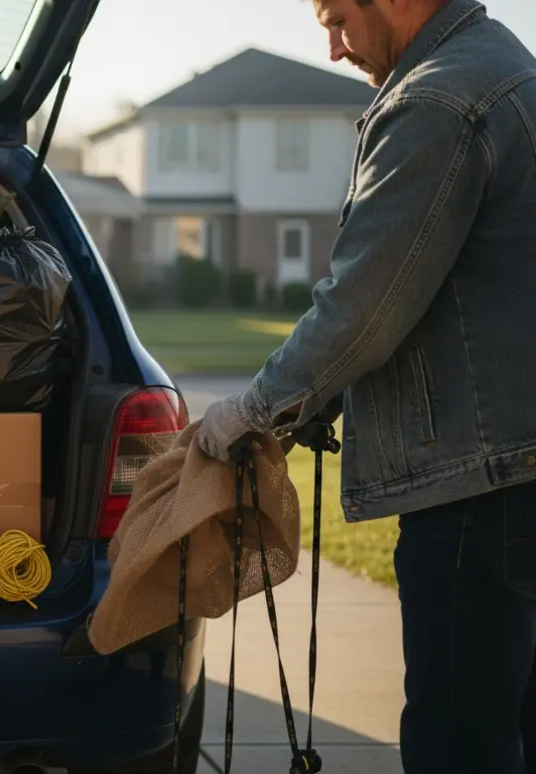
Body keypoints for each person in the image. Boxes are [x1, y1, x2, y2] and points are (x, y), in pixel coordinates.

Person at [195, 0, 536, 771]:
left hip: (473, 499)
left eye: (339, 18)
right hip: (516, 475)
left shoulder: (437, 99)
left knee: (460, 745)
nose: (333, 47)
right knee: (509, 727)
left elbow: (365, 306)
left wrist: (256, 410)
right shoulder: (510, 69)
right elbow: (465, 296)